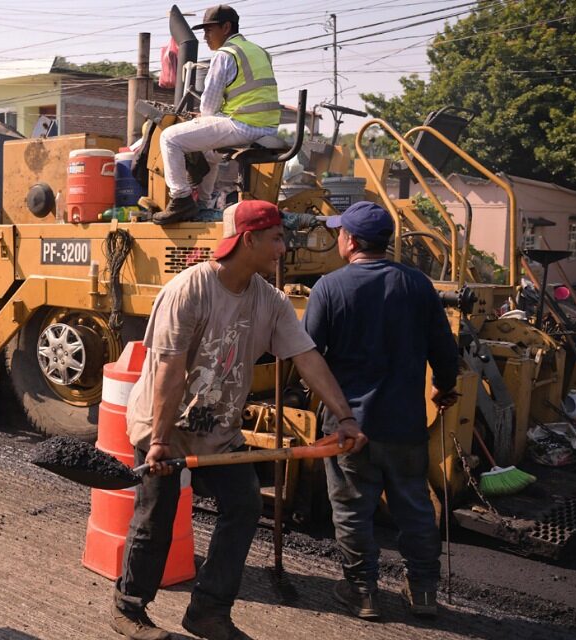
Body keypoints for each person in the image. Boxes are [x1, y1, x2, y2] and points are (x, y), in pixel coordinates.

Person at [111, 200, 367, 640]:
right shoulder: (189, 289)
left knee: (245, 506)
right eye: (276, 239)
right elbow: (170, 371)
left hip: (218, 431)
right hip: (163, 425)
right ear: (248, 240)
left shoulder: (271, 301)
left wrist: (344, 417)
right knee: (157, 514)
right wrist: (158, 440)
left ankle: (208, 611)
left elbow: (307, 358)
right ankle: (129, 607)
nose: (283, 250)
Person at [303, 201, 459, 620]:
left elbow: (309, 355)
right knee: (415, 507)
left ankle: (363, 592)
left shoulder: (329, 288)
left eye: (339, 232)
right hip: (405, 423)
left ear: (350, 240)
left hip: (350, 425)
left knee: (353, 510)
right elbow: (445, 349)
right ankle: (423, 591)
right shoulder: (419, 285)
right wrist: (445, 387)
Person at [153, 5, 280, 225]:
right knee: (209, 152)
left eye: (209, 30)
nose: (205, 37)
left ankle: (181, 199)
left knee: (170, 138)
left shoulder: (226, 54)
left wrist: (201, 117)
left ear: (226, 27)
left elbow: (209, 105)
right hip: (267, 128)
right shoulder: (260, 52)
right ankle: (202, 204)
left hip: (244, 125)